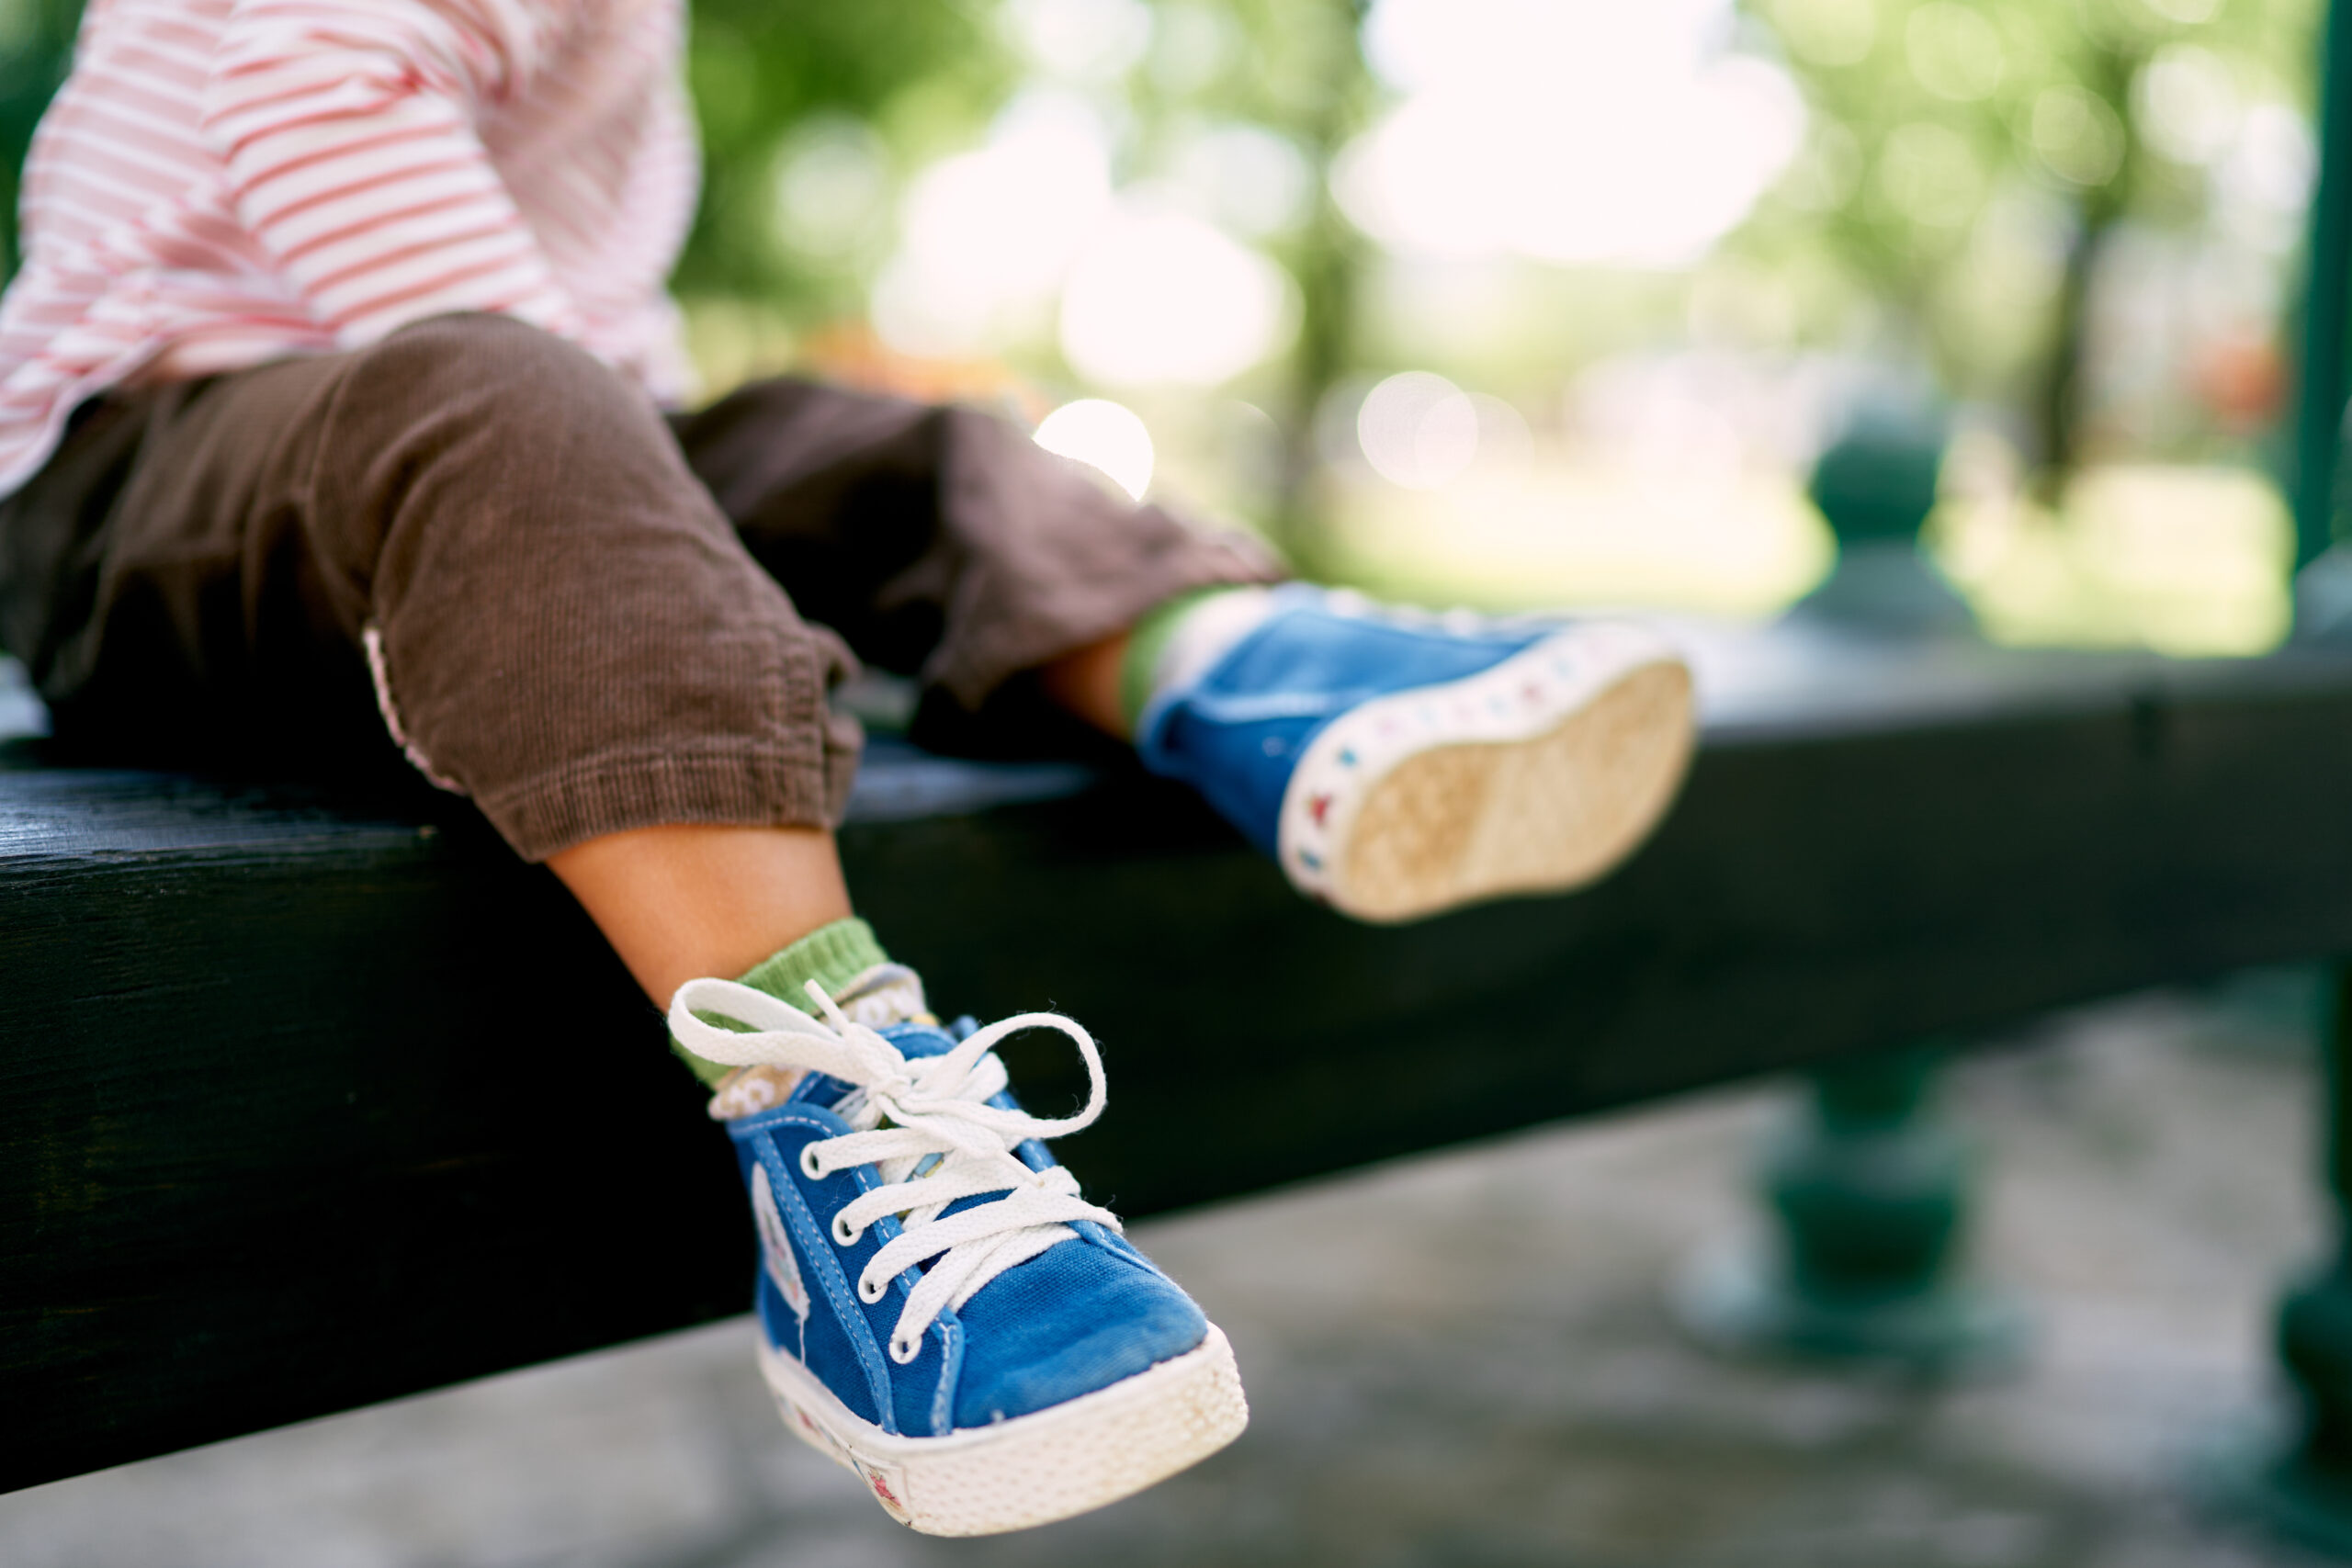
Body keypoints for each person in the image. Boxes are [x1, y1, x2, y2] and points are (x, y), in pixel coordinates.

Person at [0, 0, 1698, 1538]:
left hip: (448, 437)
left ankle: (1236, 672)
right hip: (143, 472)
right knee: (515, 407)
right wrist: (613, 476)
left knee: (889, 443)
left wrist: (644, 471)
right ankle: (842, 1100)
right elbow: (311, 82)